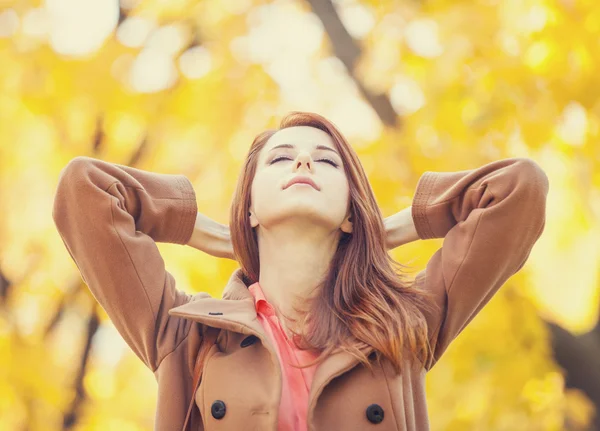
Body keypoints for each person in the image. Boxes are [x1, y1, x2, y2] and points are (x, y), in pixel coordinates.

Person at [52, 111, 549, 431]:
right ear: (249, 208)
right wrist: (208, 233)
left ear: (351, 211)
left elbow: (518, 188)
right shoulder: (188, 334)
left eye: (328, 163)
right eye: (282, 158)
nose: (304, 165)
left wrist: (381, 230)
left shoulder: (403, 326)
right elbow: (84, 190)